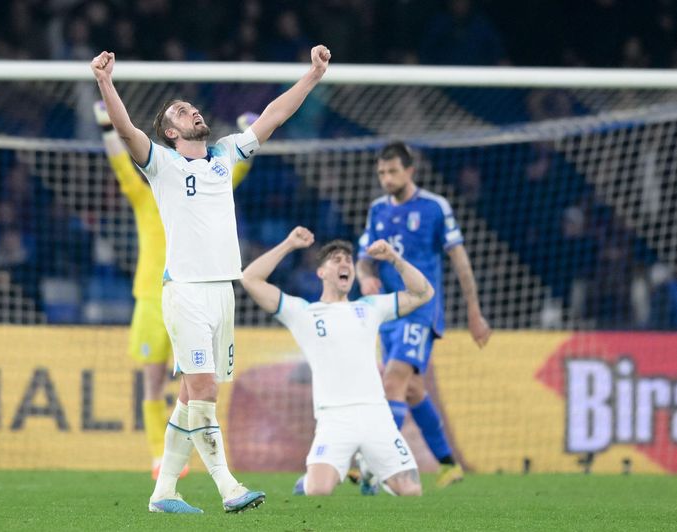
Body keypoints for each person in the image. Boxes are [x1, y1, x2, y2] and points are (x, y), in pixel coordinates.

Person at [91, 43, 330, 514]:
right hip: (185, 293)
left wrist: (313, 76)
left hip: (225, 292)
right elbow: (124, 128)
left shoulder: (226, 154)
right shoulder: (161, 164)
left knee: (189, 396)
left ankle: (163, 494)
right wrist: (104, 81)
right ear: (170, 130)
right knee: (205, 390)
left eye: (193, 107)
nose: (193, 112)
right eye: (182, 111)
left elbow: (274, 115)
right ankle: (228, 486)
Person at [93, 100, 257, 480]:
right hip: (154, 297)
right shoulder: (146, 193)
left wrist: (246, 134)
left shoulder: (200, 179)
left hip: (197, 291)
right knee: (155, 380)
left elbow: (228, 172)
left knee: (195, 384)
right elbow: (124, 158)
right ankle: (160, 461)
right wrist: (106, 126)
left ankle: (173, 475)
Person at [242, 226, 431, 496]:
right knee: (318, 490)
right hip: (334, 418)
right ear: (321, 272)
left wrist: (394, 259)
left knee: (412, 492)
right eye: (336, 260)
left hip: (376, 414)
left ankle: (370, 470)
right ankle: (316, 479)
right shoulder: (303, 312)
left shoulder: (369, 307)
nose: (345, 264)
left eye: (348, 260)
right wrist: (288, 244)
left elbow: (423, 293)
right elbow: (250, 279)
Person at [355, 141, 492, 488]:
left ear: (410, 171)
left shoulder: (434, 207)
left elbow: (460, 260)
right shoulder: (377, 210)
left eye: (393, 171)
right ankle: (449, 464)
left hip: (421, 311)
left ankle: (376, 466)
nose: (386, 178)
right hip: (389, 313)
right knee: (412, 389)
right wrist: (365, 276)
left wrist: (474, 313)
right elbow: (363, 257)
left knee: (394, 381)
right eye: (382, 173)